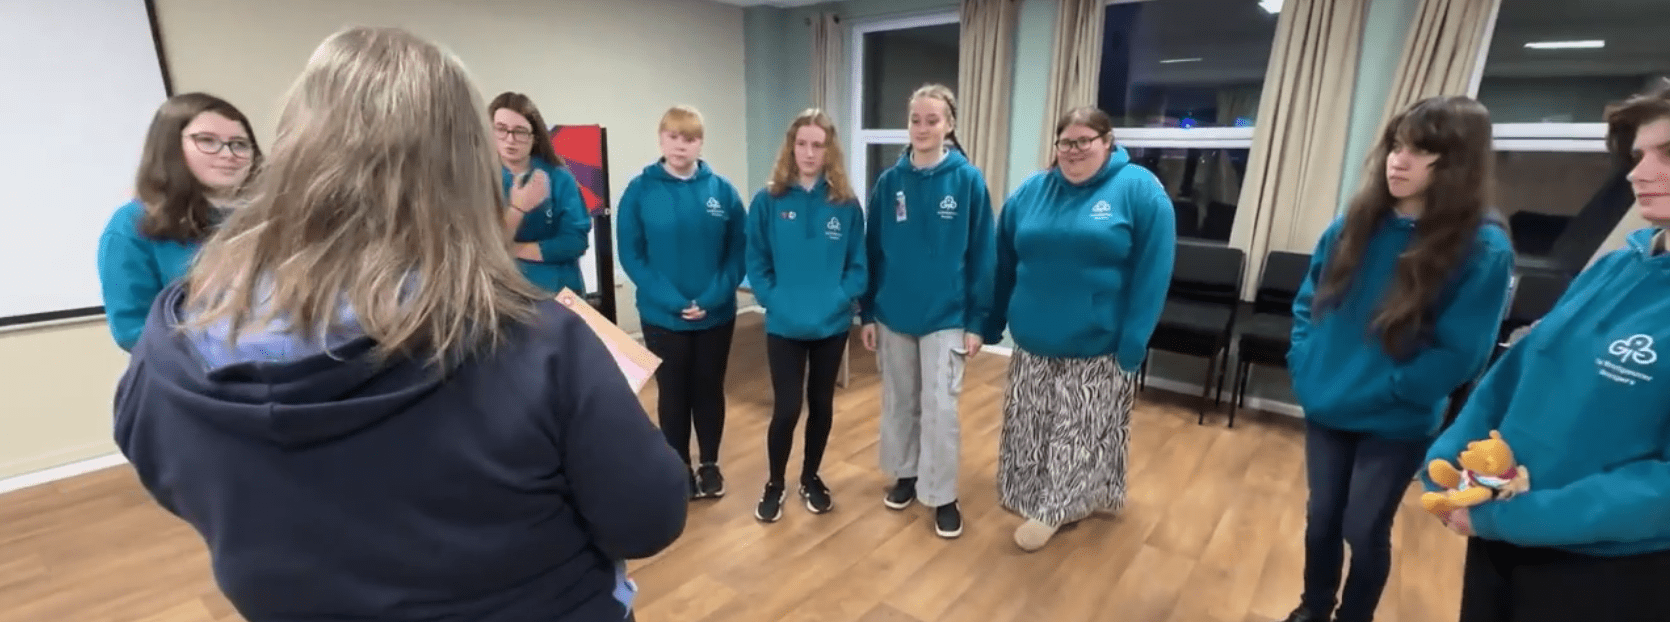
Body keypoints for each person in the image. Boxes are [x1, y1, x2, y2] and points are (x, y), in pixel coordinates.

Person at [111, 27, 688, 622]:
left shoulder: (175, 340)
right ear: (466, 165)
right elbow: (647, 519)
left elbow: (169, 475)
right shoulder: (540, 343)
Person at [1426, 82, 1670, 622]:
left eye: (1667, 153)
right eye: (1638, 155)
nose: (1637, 174)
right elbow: (1517, 372)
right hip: (1501, 534)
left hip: (1603, 569)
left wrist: (1515, 518)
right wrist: (1448, 457)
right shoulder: (1613, 267)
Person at [1278, 95, 1516, 622]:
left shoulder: (1482, 249)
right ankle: (1313, 608)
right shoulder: (1352, 224)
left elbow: (1461, 354)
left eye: (1419, 151)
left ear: (1456, 163)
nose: (1398, 160)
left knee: (1362, 528)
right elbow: (1308, 300)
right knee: (1321, 520)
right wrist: (1305, 360)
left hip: (1394, 417)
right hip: (1327, 402)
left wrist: (1394, 391)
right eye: (1395, 145)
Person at [982, 106, 1174, 552]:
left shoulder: (1139, 191)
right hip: (1032, 339)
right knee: (1029, 426)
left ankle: (1054, 509)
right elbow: (1004, 261)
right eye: (1066, 142)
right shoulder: (1032, 191)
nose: (1074, 151)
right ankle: (1030, 495)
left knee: (1079, 431)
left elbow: (1154, 271)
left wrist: (1134, 341)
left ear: (1108, 141)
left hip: (1097, 343)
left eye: (1084, 140)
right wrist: (991, 321)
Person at [857, 83, 997, 539]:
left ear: (949, 125)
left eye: (932, 120)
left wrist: (977, 321)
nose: (922, 128)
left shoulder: (968, 180)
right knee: (899, 403)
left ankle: (941, 495)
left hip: (947, 316)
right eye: (915, 119)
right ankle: (906, 475)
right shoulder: (890, 182)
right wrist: (867, 313)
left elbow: (982, 255)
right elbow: (871, 250)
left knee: (941, 409)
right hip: (894, 313)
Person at [617, 104, 747, 500]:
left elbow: (737, 252)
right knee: (673, 393)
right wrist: (673, 301)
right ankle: (679, 466)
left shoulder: (722, 191)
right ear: (661, 139)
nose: (680, 145)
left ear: (700, 143)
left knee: (709, 389)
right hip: (662, 316)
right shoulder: (640, 191)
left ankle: (709, 463)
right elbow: (632, 255)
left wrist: (712, 297)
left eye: (689, 138)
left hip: (715, 314)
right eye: (673, 136)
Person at [744, 109, 867, 522]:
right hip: (784, 324)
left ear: (829, 149)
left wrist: (838, 298)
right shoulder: (768, 201)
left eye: (818, 144)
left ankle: (810, 477)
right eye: (802, 144)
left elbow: (858, 267)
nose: (809, 152)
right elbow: (756, 262)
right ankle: (775, 483)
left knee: (822, 405)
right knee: (787, 408)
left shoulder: (846, 204)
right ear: (790, 147)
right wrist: (773, 299)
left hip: (831, 324)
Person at [96, 92, 260, 351]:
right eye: (207, 141)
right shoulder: (132, 225)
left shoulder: (272, 217)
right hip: (196, 381)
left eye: (240, 144)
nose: (229, 154)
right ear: (170, 147)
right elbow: (132, 330)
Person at [491, 91, 593, 295]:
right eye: (501, 129)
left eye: (520, 131)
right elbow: (483, 248)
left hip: (561, 293)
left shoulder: (559, 177)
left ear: (534, 138)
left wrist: (513, 250)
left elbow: (575, 242)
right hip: (506, 296)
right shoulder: (478, 179)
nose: (510, 139)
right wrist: (518, 207)